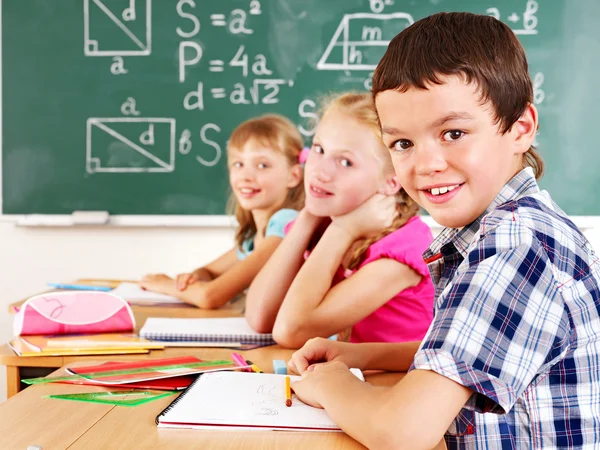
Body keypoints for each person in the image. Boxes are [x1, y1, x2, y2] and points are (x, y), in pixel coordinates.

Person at [287, 12, 600, 449]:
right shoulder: (513, 226)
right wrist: (359, 355)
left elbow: (401, 434)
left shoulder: (514, 246)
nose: (425, 163)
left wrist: (329, 383)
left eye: (453, 133)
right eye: (402, 143)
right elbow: (460, 354)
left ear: (520, 128)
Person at [246, 92, 434, 348]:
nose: (319, 171)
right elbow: (260, 317)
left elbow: (290, 331)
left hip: (394, 386)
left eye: (345, 162)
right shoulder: (325, 222)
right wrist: (307, 218)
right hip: (349, 378)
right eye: (319, 149)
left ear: (392, 181)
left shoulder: (403, 250)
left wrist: (342, 230)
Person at [140, 114, 304, 309]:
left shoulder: (287, 225)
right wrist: (196, 277)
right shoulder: (251, 239)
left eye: (262, 165)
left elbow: (211, 296)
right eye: (238, 164)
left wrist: (164, 284)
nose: (246, 176)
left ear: (293, 176)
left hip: (304, 340)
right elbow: (208, 271)